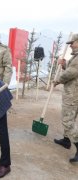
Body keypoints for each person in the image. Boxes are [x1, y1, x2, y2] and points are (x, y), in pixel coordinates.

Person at [54, 33, 78, 163]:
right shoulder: (75, 58)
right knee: (71, 117)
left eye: (72, 43)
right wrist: (63, 64)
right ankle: (66, 140)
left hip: (73, 95)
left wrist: (57, 80)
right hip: (74, 93)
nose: (70, 47)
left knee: (67, 120)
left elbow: (70, 73)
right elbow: (70, 69)